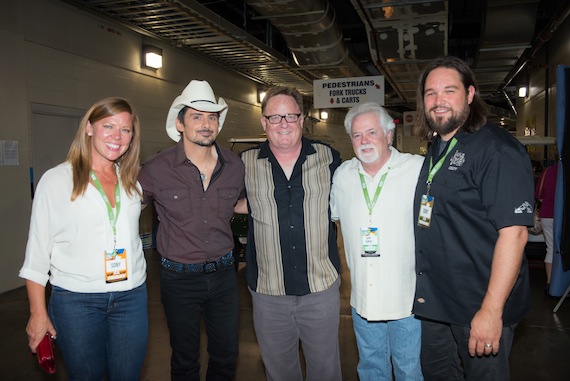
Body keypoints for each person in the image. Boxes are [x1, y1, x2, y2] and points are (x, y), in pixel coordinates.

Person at [412, 56, 534, 380]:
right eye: (430, 94)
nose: (438, 101)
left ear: (469, 95)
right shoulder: (437, 146)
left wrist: (491, 311)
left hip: (478, 305)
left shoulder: (497, 149)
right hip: (437, 303)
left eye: (449, 91)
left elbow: (515, 234)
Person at [19, 97, 148, 380]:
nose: (118, 136)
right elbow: (37, 254)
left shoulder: (131, 183)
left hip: (131, 297)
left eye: (126, 130)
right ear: (89, 128)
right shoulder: (56, 181)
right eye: (109, 126)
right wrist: (38, 313)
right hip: (77, 302)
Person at [138, 80, 245, 380]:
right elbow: (127, 207)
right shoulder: (156, 169)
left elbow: (239, 203)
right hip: (179, 280)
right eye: (197, 116)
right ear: (180, 123)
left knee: (226, 356)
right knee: (185, 360)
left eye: (212, 117)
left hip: (224, 276)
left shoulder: (235, 165)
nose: (206, 124)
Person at [241, 86, 342, 381]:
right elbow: (222, 199)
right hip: (268, 293)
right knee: (279, 371)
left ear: (302, 119)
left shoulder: (328, 157)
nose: (283, 124)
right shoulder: (244, 163)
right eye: (275, 117)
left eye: (290, 116)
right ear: (263, 122)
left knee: (325, 370)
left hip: (320, 290)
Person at [330, 102, 424, 381]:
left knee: (409, 371)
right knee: (371, 369)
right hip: (363, 300)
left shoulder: (416, 169)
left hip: (406, 301)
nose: (364, 141)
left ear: (389, 135)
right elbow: (337, 218)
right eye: (357, 135)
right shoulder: (343, 176)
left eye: (371, 132)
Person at [535, 161, 558, 292]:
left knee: (550, 248)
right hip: (562, 216)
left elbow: (538, 194)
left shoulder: (547, 172)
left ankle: (550, 283)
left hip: (547, 214)